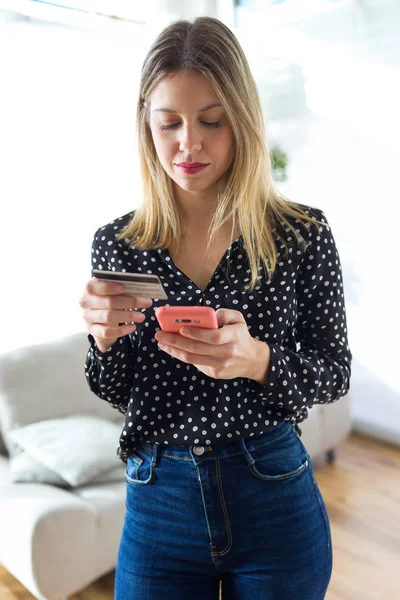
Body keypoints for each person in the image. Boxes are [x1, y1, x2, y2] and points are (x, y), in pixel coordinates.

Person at [80, 16, 352, 600]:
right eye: (169, 123)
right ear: (145, 126)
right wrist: (102, 340)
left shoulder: (298, 234)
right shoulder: (120, 244)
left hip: (272, 490)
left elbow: (334, 371)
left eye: (211, 121)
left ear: (243, 122)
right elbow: (114, 386)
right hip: (159, 500)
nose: (189, 144)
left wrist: (257, 359)